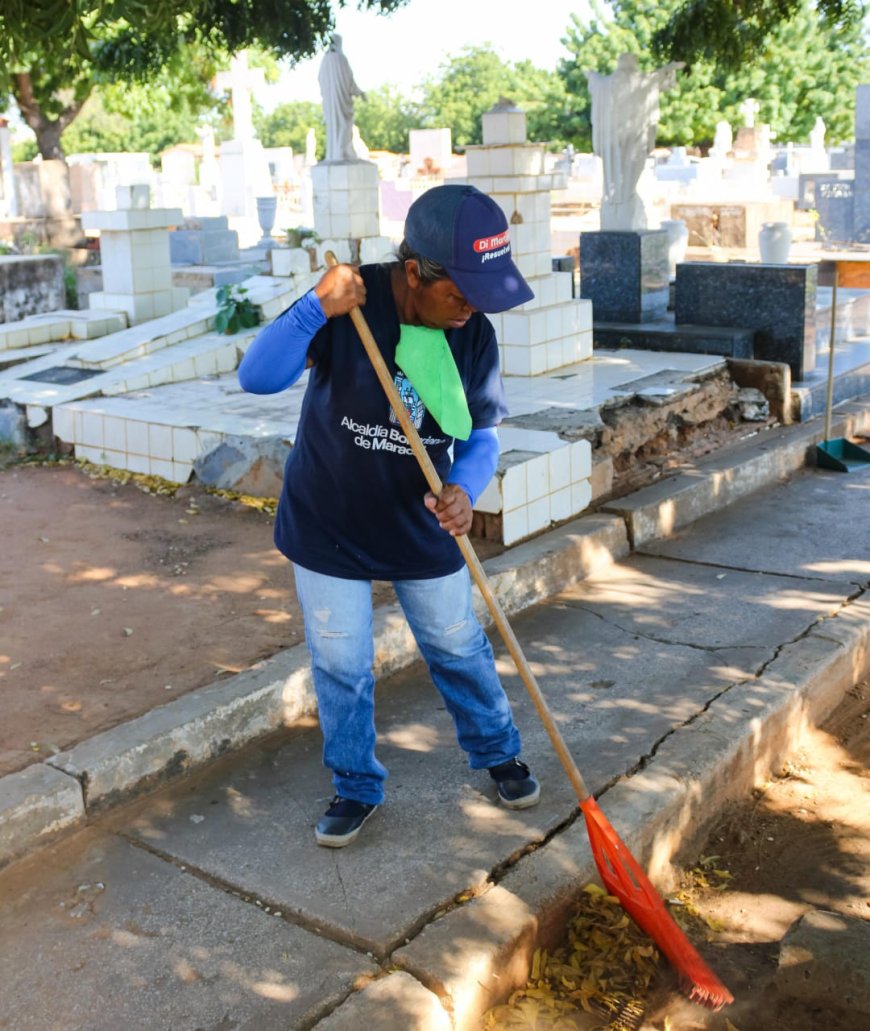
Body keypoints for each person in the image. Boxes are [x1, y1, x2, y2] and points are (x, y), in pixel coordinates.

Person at [238, 184, 540, 847]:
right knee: (342, 663)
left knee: (457, 645)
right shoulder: (350, 304)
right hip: (329, 525)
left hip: (421, 525)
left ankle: (497, 751)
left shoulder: (474, 335)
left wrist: (463, 487)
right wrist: (313, 308)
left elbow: (483, 434)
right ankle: (354, 783)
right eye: (460, 292)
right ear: (413, 274)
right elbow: (256, 378)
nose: (471, 309)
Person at [586, 53, 683, 230]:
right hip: (625, 139)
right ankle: (620, 203)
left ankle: (620, 203)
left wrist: (591, 75)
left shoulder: (608, 84)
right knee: (623, 174)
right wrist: (668, 70)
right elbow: (654, 79)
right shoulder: (620, 83)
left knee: (625, 173)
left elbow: (597, 81)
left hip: (628, 139)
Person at [318, 34, 365, 163]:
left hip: (331, 102)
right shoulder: (341, 59)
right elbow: (349, 80)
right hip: (341, 101)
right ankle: (341, 151)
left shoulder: (325, 61)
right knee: (344, 124)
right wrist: (359, 92)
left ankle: (339, 151)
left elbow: (320, 79)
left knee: (337, 126)